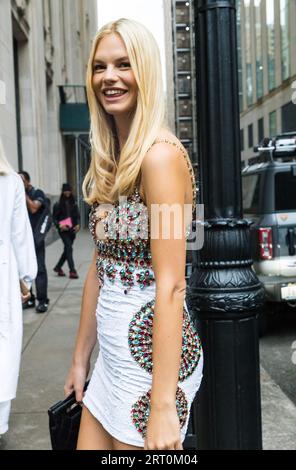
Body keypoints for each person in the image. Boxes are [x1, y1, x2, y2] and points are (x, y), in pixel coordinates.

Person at [64, 18, 203, 451]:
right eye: (99, 67)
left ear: (144, 70)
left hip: (151, 364)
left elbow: (173, 285)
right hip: (111, 359)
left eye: (123, 64)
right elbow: (98, 270)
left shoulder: (160, 158)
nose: (109, 77)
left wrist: (162, 404)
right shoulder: (112, 160)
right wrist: (80, 359)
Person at [0, 139, 37, 436]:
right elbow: (20, 234)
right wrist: (27, 278)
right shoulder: (10, 182)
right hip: (2, 276)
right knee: (3, 348)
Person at [18, 171, 49, 314]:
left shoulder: (38, 193)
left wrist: (22, 193)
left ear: (27, 181)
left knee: (40, 269)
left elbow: (34, 207)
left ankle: (42, 301)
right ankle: (29, 298)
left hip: (36, 239)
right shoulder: (16, 195)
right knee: (24, 269)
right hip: (22, 240)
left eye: (21, 180)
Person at [53, 183, 80, 279]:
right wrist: (60, 225)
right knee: (69, 248)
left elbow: (77, 216)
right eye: (65, 190)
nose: (67, 192)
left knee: (67, 249)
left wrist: (77, 224)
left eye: (68, 190)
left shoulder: (74, 203)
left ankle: (58, 267)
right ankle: (72, 271)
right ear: (63, 191)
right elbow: (54, 218)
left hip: (72, 230)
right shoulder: (58, 204)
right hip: (63, 230)